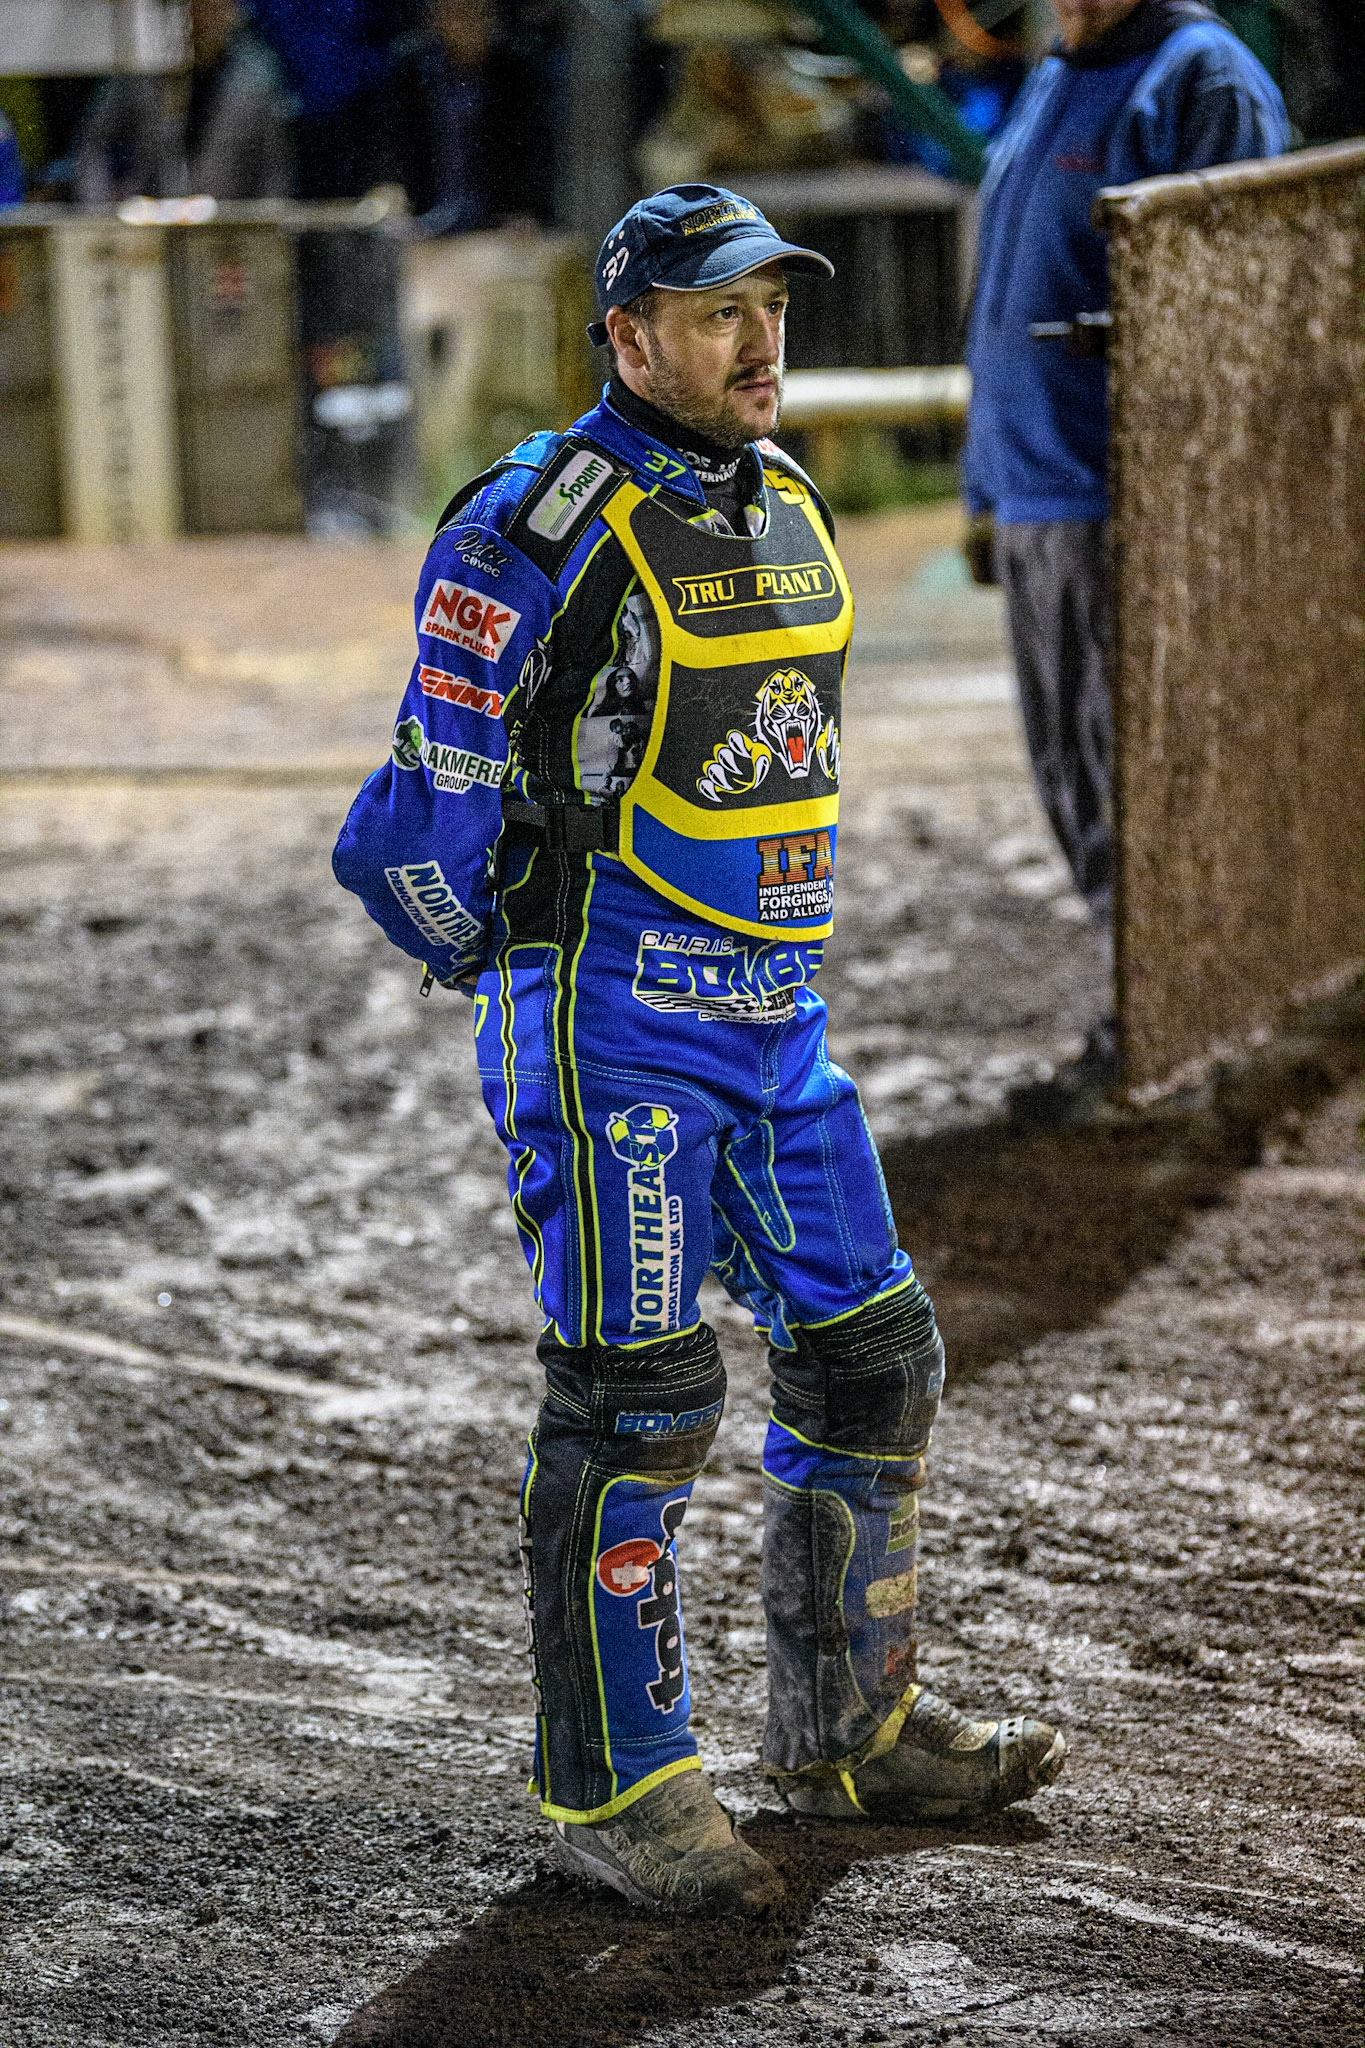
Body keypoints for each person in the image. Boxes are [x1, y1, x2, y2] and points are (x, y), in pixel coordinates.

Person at [334, 184, 1065, 1914]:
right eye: (717, 309)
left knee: (877, 1358)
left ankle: (845, 1730)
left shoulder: (791, 501)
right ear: (630, 334)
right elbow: (405, 832)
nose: (760, 338)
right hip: (618, 1033)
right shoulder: (535, 522)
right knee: (638, 1403)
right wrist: (517, 977)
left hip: (776, 1030)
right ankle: (619, 1785)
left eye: (772, 303)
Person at [962, 0, 1289, 1083]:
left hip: (1123, 500)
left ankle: (1174, 1031)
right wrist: (982, 485)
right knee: (1080, 783)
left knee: (1145, 782)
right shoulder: (1059, 70)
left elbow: (1240, 314)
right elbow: (1010, 292)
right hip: (1036, 494)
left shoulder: (1202, 81)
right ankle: (1145, 1019)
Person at [74, 0, 292, 203]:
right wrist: (100, 211)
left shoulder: (258, 77)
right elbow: (92, 146)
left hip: (226, 227)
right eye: (193, 6)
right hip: (147, 225)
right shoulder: (140, 69)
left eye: (211, 7)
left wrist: (265, 231)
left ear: (232, 12)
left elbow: (275, 170)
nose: (200, 18)